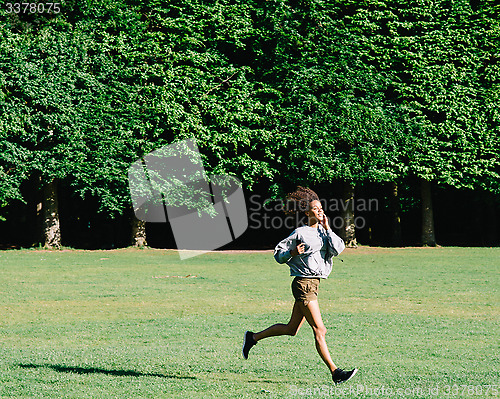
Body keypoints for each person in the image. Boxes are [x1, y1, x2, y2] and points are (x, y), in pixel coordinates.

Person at [242, 186, 358, 384]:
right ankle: (335, 372)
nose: (320, 211)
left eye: (321, 208)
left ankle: (252, 338)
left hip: (314, 284)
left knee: (291, 329)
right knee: (320, 330)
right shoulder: (300, 232)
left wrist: (328, 227)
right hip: (303, 284)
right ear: (307, 212)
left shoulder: (324, 232)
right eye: (316, 208)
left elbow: (339, 249)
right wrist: (292, 253)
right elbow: (279, 254)